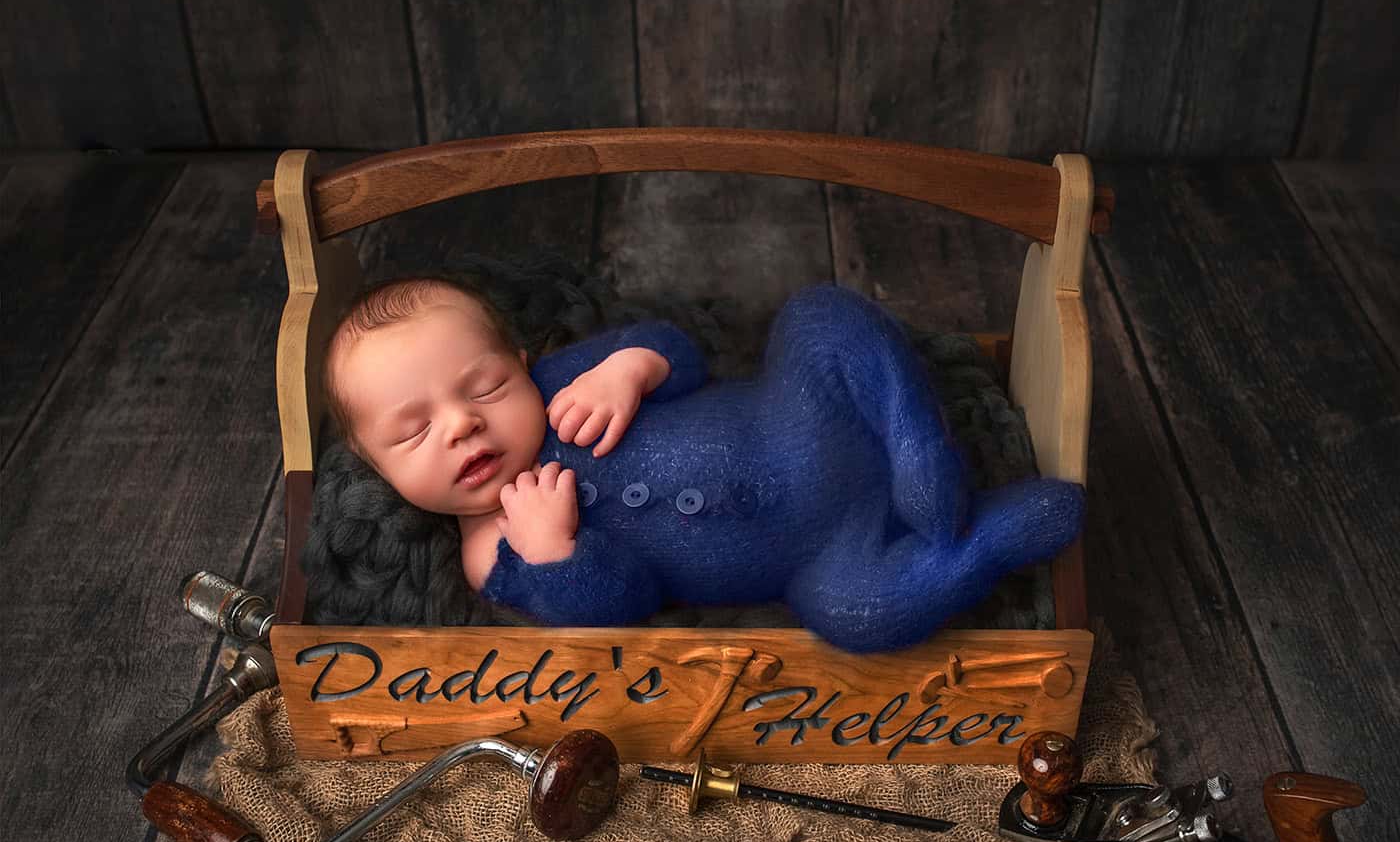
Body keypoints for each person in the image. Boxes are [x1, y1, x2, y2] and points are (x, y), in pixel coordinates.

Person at [323, 276, 1085, 652]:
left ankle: (918, 448)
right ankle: (984, 541)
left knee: (819, 316)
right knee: (859, 616)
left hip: (799, 413)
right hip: (818, 558)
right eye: (415, 430)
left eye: (485, 385)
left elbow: (685, 351)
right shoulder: (495, 556)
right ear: (374, 466)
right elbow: (623, 607)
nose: (463, 423)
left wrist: (629, 368)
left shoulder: (561, 385)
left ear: (520, 364)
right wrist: (558, 554)